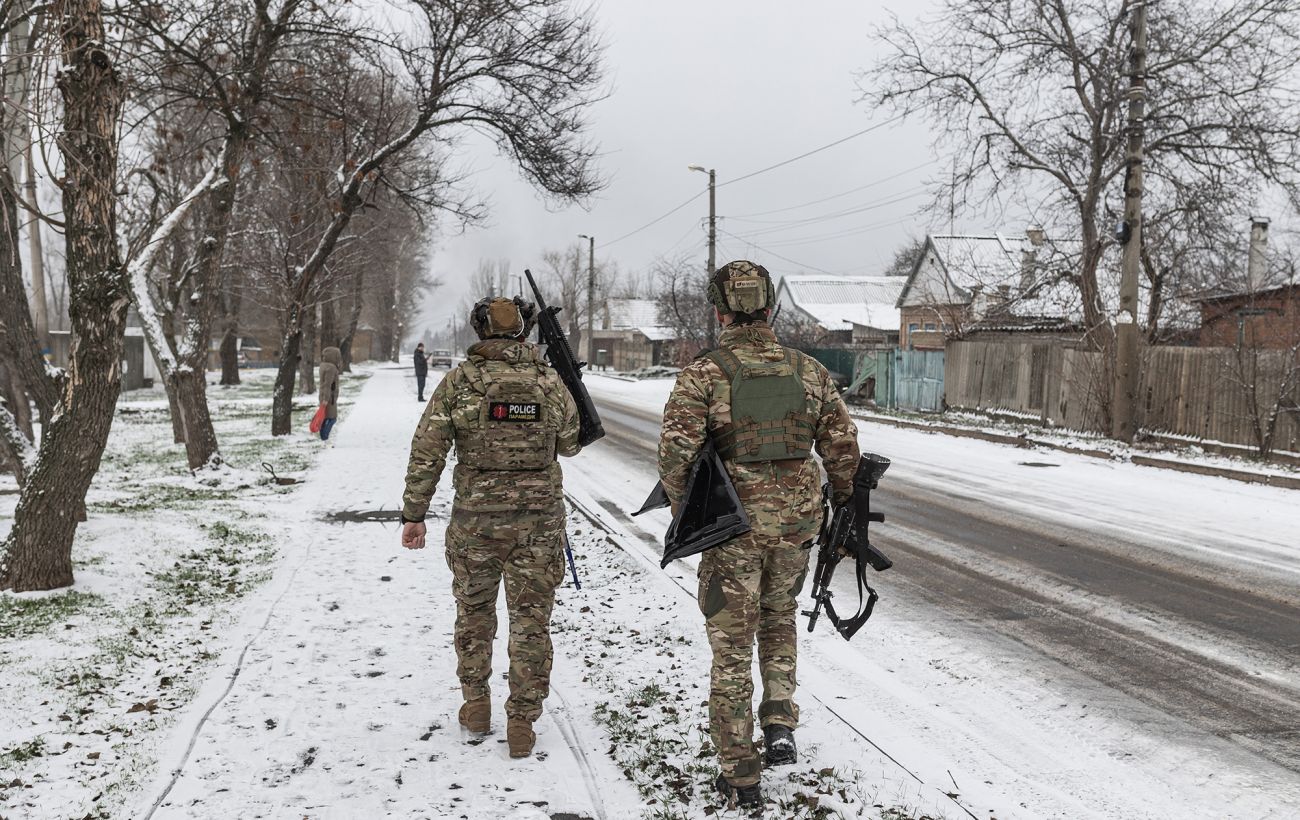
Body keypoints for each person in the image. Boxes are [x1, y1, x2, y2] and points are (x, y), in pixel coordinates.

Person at [657, 260, 860, 808]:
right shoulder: (809, 370)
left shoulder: (705, 373)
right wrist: (841, 507)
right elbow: (842, 449)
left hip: (733, 528)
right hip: (795, 525)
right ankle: (778, 722)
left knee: (730, 645)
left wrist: (689, 514)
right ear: (769, 307)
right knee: (778, 618)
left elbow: (674, 456)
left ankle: (740, 771)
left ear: (719, 310)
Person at [399, 296, 582, 759]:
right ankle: (522, 722)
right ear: (522, 331)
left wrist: (414, 515)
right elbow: (571, 443)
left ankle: (476, 704)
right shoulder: (547, 380)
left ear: (480, 332)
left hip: (475, 526)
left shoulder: (460, 383)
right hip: (538, 526)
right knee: (531, 624)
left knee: (474, 615)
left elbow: (428, 451)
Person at [317, 346, 342, 441]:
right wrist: (325, 399)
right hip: (329, 398)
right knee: (332, 418)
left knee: (326, 417)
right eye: (337, 356)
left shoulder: (324, 365)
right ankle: (324, 437)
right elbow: (327, 385)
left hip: (326, 396)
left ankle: (323, 436)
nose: (339, 358)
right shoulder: (331, 368)